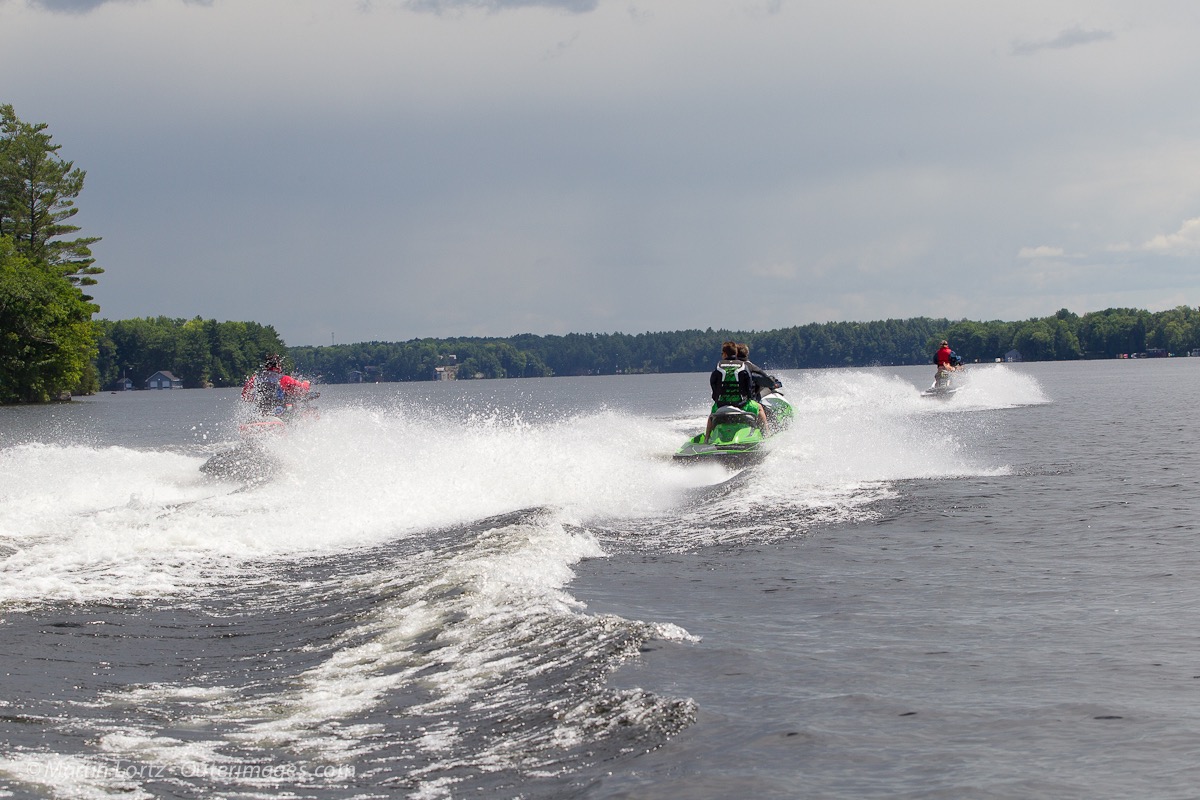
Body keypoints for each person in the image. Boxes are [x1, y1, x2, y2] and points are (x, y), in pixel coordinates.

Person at [707, 341, 770, 437]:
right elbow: (748, 386)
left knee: (711, 415)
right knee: (760, 408)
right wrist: (748, 398)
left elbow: (713, 384)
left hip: (721, 405)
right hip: (741, 405)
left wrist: (717, 398)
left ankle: (707, 439)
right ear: (736, 353)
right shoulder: (744, 366)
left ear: (724, 354)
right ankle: (766, 434)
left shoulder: (718, 367)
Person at [241, 354, 311, 416]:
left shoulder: (255, 378)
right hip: (278, 412)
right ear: (277, 366)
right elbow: (303, 388)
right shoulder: (284, 379)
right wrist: (306, 383)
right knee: (292, 408)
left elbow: (245, 396)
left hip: (260, 412)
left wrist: (254, 398)